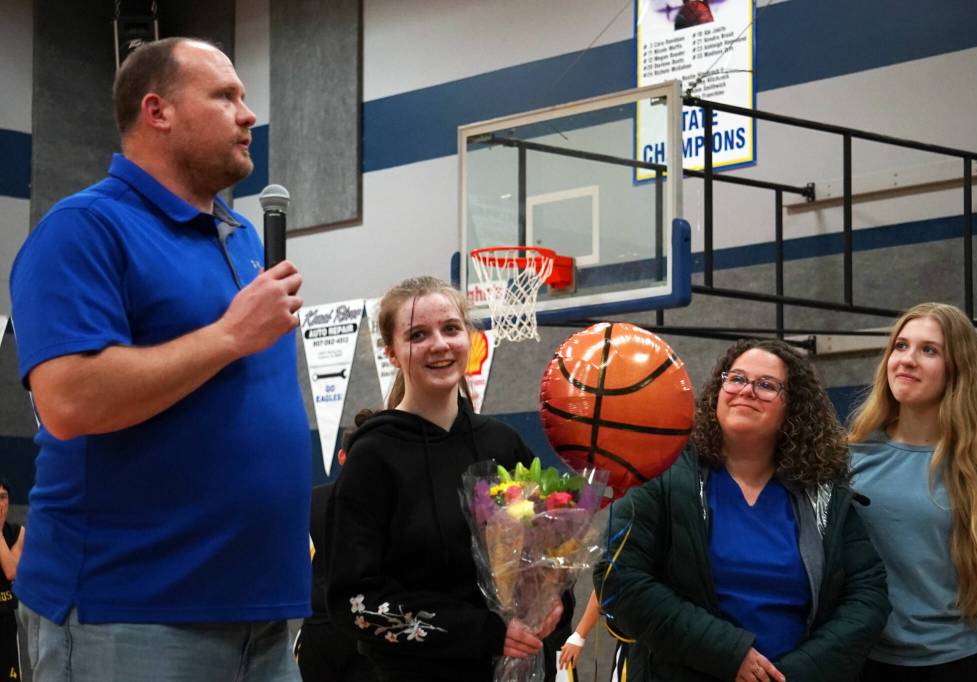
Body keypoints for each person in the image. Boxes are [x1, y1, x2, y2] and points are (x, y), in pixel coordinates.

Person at [9, 37, 310, 681]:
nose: (248, 114)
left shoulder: (242, 237)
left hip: (263, 614)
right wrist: (230, 334)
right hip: (130, 612)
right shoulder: (84, 228)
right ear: (158, 111)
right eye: (225, 96)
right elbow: (68, 401)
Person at [594, 339, 890, 681]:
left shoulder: (822, 492)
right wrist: (729, 654)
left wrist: (798, 672)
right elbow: (618, 579)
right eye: (735, 379)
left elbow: (868, 597)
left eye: (766, 385)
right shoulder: (664, 476)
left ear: (792, 407)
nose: (746, 391)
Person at [324, 276, 563, 682]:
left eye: (451, 328)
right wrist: (483, 632)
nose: (439, 344)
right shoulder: (374, 456)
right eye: (418, 335)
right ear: (392, 353)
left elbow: (551, 549)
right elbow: (353, 601)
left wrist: (553, 604)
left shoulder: (503, 444)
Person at [848, 302, 977, 681]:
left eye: (929, 350)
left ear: (957, 369)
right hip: (866, 661)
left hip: (960, 663)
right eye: (901, 346)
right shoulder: (850, 457)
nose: (907, 360)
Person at [295, 448, 374, 682]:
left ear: (342, 456)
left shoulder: (312, 499)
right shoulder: (381, 502)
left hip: (323, 621)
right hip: (361, 621)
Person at [0, 480, 24, 680]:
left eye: (2, 497)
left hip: (6, 618)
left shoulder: (18, 533)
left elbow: (12, 571)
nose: (0, 504)